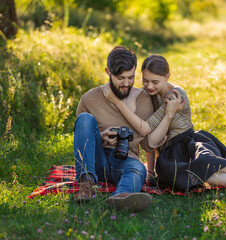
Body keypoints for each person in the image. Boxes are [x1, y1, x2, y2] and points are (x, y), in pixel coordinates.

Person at [103, 55, 226, 195]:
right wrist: (151, 170)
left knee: (207, 163)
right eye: (145, 81)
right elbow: (149, 143)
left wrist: (124, 107)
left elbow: (148, 126)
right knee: (184, 174)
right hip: (170, 151)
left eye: (155, 82)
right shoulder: (149, 96)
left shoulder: (175, 96)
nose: (149, 86)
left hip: (188, 142)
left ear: (167, 76)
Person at [73, 47, 180, 212]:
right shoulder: (89, 98)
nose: (126, 83)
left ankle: (121, 197)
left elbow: (147, 143)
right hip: (97, 160)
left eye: (131, 77)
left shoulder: (144, 99)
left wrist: (150, 171)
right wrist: (101, 137)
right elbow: (82, 134)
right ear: (108, 72)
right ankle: (86, 183)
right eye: (120, 78)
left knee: (138, 169)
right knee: (84, 119)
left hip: (125, 160)